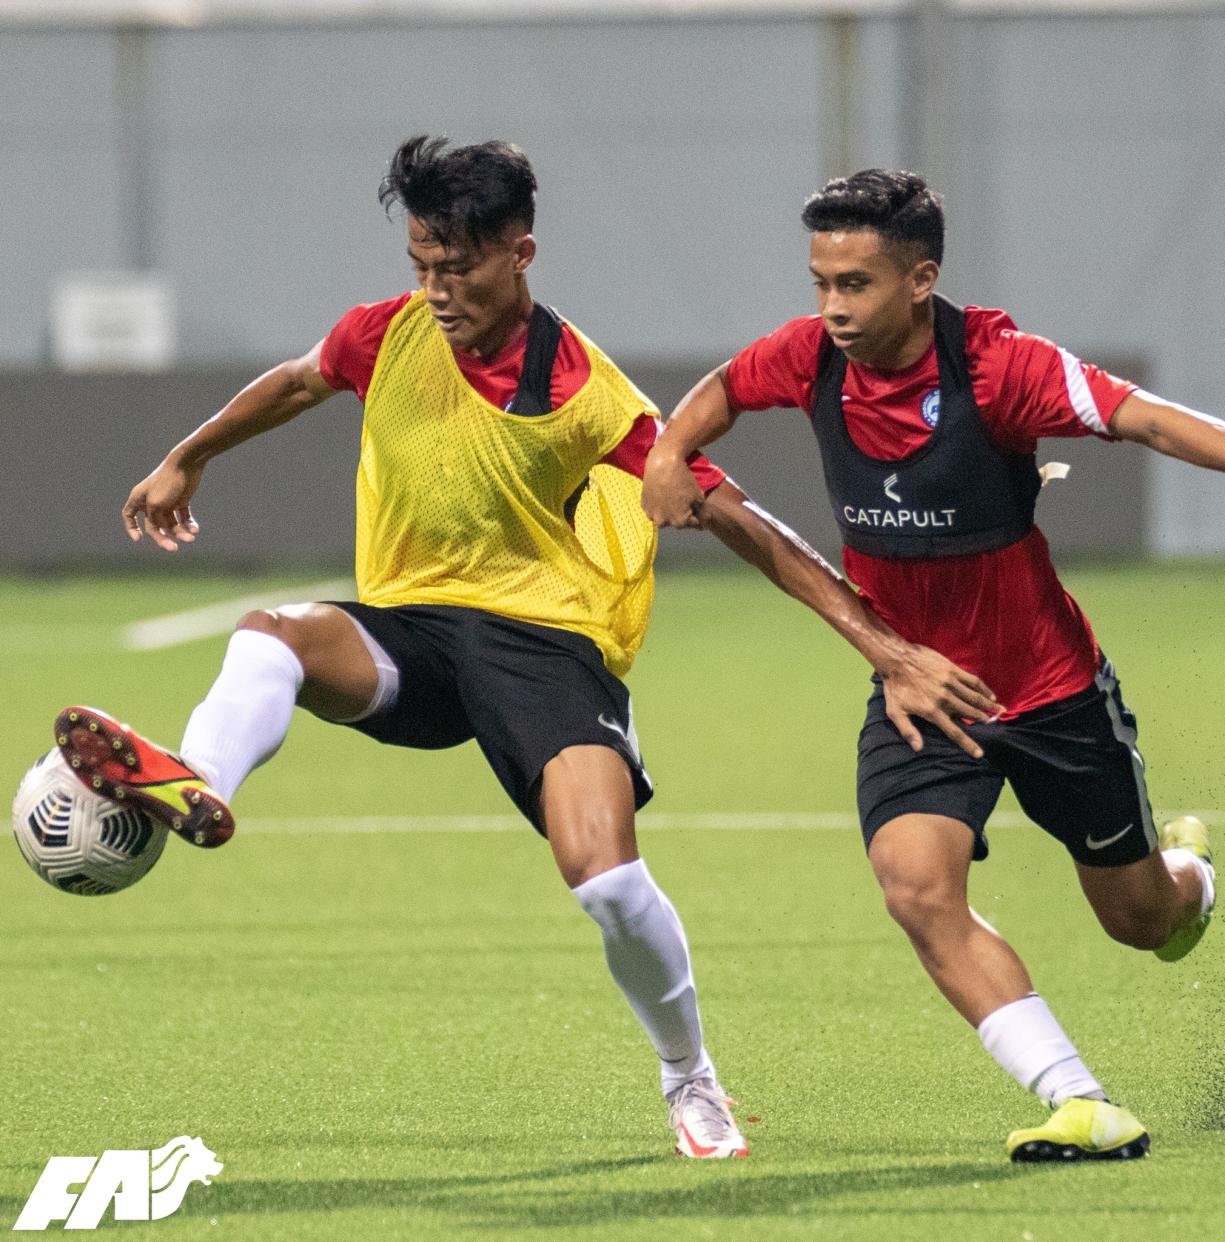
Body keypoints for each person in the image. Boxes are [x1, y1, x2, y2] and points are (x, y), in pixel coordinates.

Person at [55, 140, 993, 1161]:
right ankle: (197, 783)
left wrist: (881, 643)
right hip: (409, 630)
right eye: (420, 263)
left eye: (457, 268)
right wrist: (186, 458)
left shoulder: (583, 389)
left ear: (520, 253)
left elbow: (739, 518)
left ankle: (692, 1080)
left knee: (605, 879)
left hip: (543, 644)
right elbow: (295, 383)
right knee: (272, 635)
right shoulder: (384, 334)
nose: (435, 290)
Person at [641, 168, 1225, 1163]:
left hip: (1050, 692)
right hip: (919, 689)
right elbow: (721, 394)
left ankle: (1192, 879)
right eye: (821, 281)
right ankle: (1080, 1101)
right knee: (915, 885)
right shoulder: (810, 358)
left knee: (1143, 922)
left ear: (921, 280)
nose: (831, 308)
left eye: (856, 284)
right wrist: (669, 447)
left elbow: (1150, 420)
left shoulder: (1001, 369)